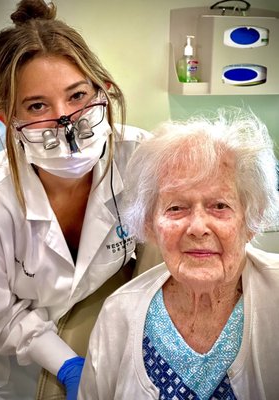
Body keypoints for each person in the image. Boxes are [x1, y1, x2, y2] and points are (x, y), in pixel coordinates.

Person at [0, 0, 154, 399]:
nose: (66, 121)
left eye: (77, 96)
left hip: (98, 338)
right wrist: (67, 365)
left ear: (102, 92)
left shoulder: (141, 158)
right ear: (11, 120)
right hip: (11, 374)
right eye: (38, 106)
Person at [79, 108, 279, 400]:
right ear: (149, 224)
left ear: (252, 218)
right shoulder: (118, 315)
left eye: (219, 206)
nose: (198, 227)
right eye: (176, 208)